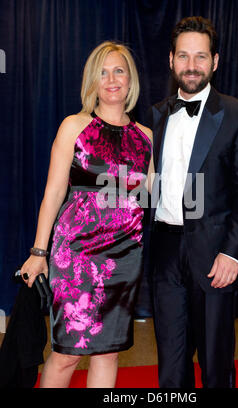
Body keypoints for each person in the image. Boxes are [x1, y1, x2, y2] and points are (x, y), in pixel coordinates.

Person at [20, 41, 153, 388]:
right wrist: (38, 252)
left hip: (125, 258)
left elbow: (156, 195)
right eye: (103, 72)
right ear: (92, 81)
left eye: (119, 70)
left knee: (108, 351)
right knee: (68, 352)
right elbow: (53, 192)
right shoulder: (74, 127)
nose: (111, 79)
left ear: (130, 80)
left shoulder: (146, 137)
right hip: (76, 255)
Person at [148, 16, 238, 388]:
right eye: (184, 56)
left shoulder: (237, 114)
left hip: (215, 254)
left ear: (215, 61)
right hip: (165, 251)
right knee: (171, 363)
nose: (191, 65)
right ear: (171, 60)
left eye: (200, 57)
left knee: (216, 364)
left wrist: (233, 253)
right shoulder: (156, 114)